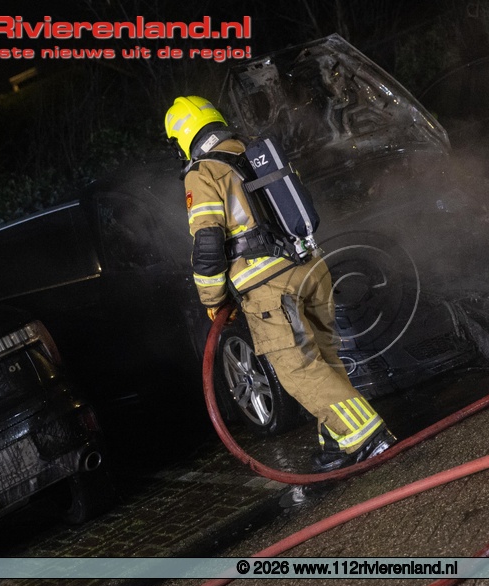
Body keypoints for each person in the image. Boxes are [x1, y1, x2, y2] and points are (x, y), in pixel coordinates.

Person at [164, 95, 396, 472]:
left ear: (182, 138)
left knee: (298, 369)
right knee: (322, 358)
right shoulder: (253, 151)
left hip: (270, 285)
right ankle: (337, 441)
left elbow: (207, 244)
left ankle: (369, 438)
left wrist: (213, 299)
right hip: (312, 266)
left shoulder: (202, 172)